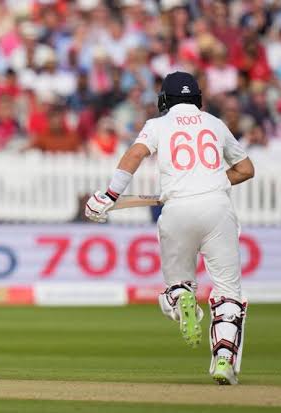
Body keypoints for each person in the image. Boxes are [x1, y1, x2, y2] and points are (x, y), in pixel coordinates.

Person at [84, 72, 255, 385]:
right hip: (217, 207)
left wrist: (110, 195)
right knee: (228, 294)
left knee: (177, 286)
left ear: (165, 100)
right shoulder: (215, 123)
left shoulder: (157, 125)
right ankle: (223, 360)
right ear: (198, 98)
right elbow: (246, 170)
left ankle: (180, 297)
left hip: (176, 210)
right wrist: (211, 182)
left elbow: (135, 154)